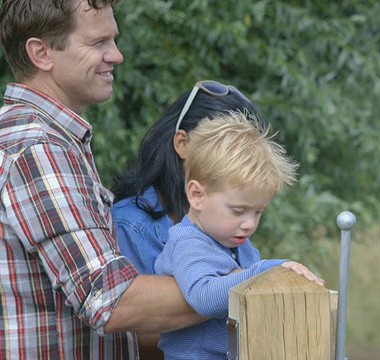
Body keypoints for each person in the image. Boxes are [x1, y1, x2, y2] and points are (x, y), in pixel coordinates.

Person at [0, 1, 204, 359]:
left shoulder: (42, 139)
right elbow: (111, 298)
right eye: (98, 43)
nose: (117, 55)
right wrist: (245, 286)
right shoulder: (39, 148)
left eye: (114, 40)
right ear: (41, 53)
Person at [153, 110, 325, 359]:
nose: (249, 224)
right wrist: (266, 271)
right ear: (197, 195)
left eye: (258, 212)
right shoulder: (188, 243)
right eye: (238, 211)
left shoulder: (236, 241)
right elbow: (203, 296)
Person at [111, 80, 261, 358]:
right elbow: (130, 331)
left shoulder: (226, 220)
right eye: (224, 149)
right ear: (182, 143)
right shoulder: (130, 222)